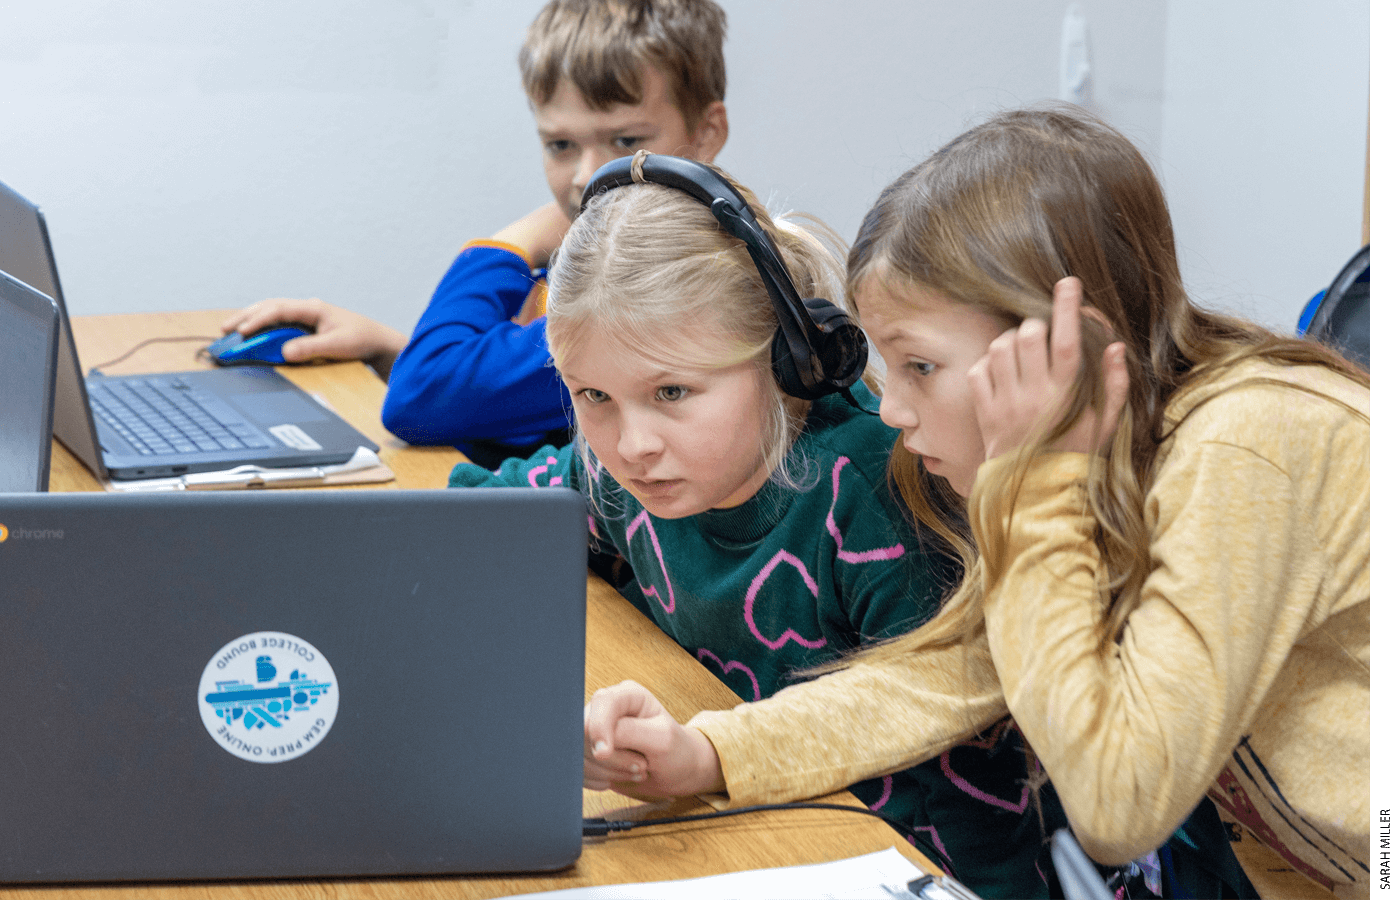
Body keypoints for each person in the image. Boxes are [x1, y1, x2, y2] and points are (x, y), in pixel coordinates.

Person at [585, 108, 1369, 900]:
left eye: (920, 366)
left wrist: (1036, 495)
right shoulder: (1098, 455)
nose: (891, 410)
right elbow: (942, 673)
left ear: (1068, 352)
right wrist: (708, 753)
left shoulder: (1245, 446)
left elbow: (1117, 805)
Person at [447, 152, 1097, 899]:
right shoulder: (619, 474)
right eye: (593, 395)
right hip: (751, 830)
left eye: (672, 391)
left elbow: (942, 758)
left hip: (917, 861)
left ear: (784, 358)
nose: (633, 444)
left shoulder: (877, 493)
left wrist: (707, 758)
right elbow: (486, 516)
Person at [221, 0, 730, 468]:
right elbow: (540, 414)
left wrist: (517, 238)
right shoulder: (606, 263)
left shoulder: (681, 287)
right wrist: (392, 351)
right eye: (560, 144)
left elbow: (422, 397)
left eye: (625, 139)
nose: (585, 176)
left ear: (706, 133)